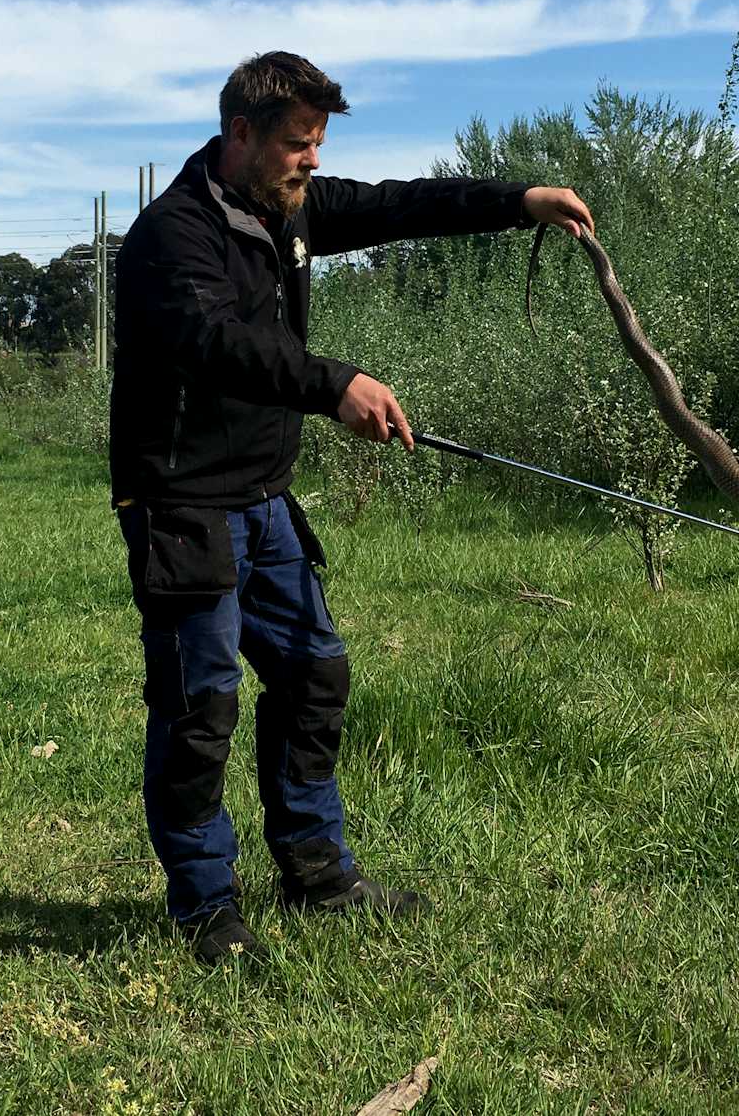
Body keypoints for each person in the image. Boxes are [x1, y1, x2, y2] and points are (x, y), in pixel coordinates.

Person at [111, 51, 594, 964]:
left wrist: (519, 197)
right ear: (241, 135)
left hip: (265, 500)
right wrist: (336, 385)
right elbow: (218, 343)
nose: (313, 162)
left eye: (320, 144)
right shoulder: (172, 236)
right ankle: (206, 909)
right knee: (198, 707)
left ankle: (318, 877)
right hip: (182, 505)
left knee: (313, 679)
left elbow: (403, 205)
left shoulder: (290, 209)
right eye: (299, 144)